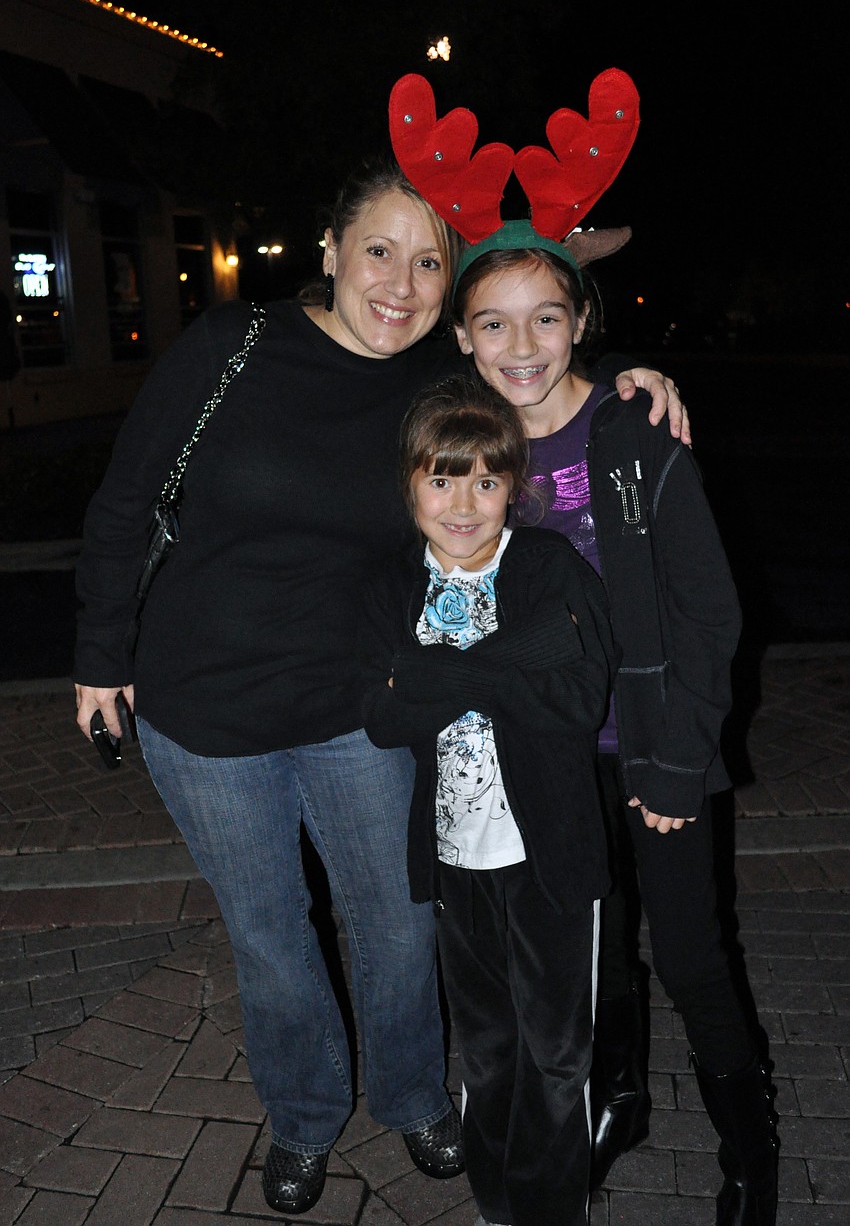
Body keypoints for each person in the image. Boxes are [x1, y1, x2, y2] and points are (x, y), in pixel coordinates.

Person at [73, 149, 684, 1217]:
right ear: (331, 253)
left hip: (365, 700)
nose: (400, 284)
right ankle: (306, 1118)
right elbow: (126, 499)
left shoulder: (432, 383)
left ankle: (410, 1096)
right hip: (203, 708)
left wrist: (634, 378)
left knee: (400, 922)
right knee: (271, 937)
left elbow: (539, 381)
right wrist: (97, 656)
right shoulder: (236, 344)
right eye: (378, 253)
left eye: (427, 262)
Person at [450, 230, 779, 1225]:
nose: (522, 343)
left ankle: (749, 1148)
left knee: (688, 951)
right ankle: (620, 1096)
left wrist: (680, 761)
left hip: (651, 746)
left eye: (546, 317)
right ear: (461, 338)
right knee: (585, 953)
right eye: (493, 322)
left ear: (582, 322)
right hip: (542, 752)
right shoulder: (463, 436)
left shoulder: (631, 431)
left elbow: (708, 610)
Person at [359, 374, 617, 1226]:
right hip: (454, 858)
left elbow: (581, 700)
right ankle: (500, 1201)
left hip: (546, 854)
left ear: (514, 484)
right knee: (489, 1047)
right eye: (441, 478)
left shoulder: (547, 567)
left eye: (485, 479)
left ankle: (552, 1208)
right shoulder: (392, 585)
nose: (463, 503)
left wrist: (440, 672)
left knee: (557, 1050)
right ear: (409, 487)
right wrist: (515, 660)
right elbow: (386, 714)